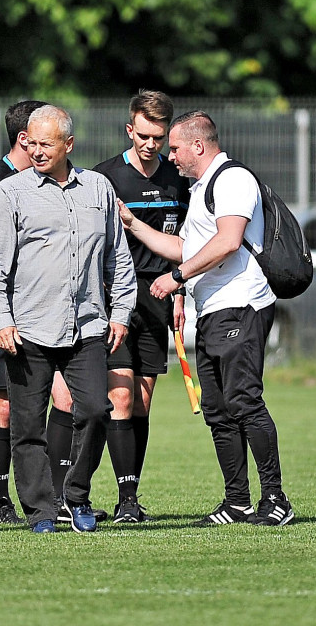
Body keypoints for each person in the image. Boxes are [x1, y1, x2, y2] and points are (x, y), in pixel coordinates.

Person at [119, 110, 292, 526]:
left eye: (176, 147)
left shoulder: (232, 179)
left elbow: (229, 241)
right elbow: (185, 247)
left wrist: (176, 278)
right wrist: (133, 224)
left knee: (244, 401)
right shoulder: (200, 188)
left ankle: (276, 499)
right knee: (217, 408)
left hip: (241, 304)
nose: (170, 156)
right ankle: (237, 502)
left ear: (198, 146)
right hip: (212, 310)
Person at [0, 104, 136, 534]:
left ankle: (76, 495)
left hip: (87, 326)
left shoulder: (98, 188)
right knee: (28, 425)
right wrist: (2, 320)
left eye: (46, 144)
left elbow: (118, 259)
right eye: (31, 143)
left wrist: (121, 312)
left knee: (97, 410)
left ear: (69, 144)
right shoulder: (10, 193)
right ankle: (41, 511)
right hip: (27, 329)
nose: (36, 151)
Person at [92, 91, 189, 522]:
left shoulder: (177, 177)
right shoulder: (105, 177)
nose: (150, 144)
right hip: (115, 295)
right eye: (143, 135)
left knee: (143, 401)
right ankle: (126, 498)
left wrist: (181, 291)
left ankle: (130, 495)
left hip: (160, 294)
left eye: (158, 137)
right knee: (120, 395)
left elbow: (187, 241)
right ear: (129, 129)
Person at [0, 100, 46, 525]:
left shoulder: (45, 179)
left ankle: (57, 498)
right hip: (3, 306)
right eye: (39, 138)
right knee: (2, 402)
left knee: (55, 399)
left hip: (44, 304)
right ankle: (1, 503)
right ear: (23, 139)